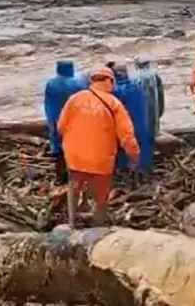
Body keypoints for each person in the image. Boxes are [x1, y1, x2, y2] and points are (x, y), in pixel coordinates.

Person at [57, 68, 140, 227]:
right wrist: (134, 156)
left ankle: (72, 223)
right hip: (101, 158)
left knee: (74, 186)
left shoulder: (75, 99)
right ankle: (97, 227)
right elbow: (127, 136)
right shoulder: (114, 104)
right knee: (101, 196)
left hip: (75, 156)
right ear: (108, 81)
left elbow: (61, 126)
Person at [43, 60, 86, 184]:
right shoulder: (78, 84)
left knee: (57, 145)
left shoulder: (51, 84)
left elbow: (46, 102)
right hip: (73, 120)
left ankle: (60, 177)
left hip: (54, 116)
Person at [112, 63, 149, 173]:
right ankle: (144, 169)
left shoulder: (116, 91)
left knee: (124, 149)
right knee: (143, 145)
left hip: (126, 125)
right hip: (141, 122)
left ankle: (126, 171)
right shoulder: (137, 86)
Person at [133, 55, 165, 170]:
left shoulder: (137, 79)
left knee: (142, 136)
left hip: (142, 110)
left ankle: (144, 163)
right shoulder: (155, 76)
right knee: (152, 133)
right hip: (154, 108)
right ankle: (151, 158)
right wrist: (161, 109)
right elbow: (161, 95)